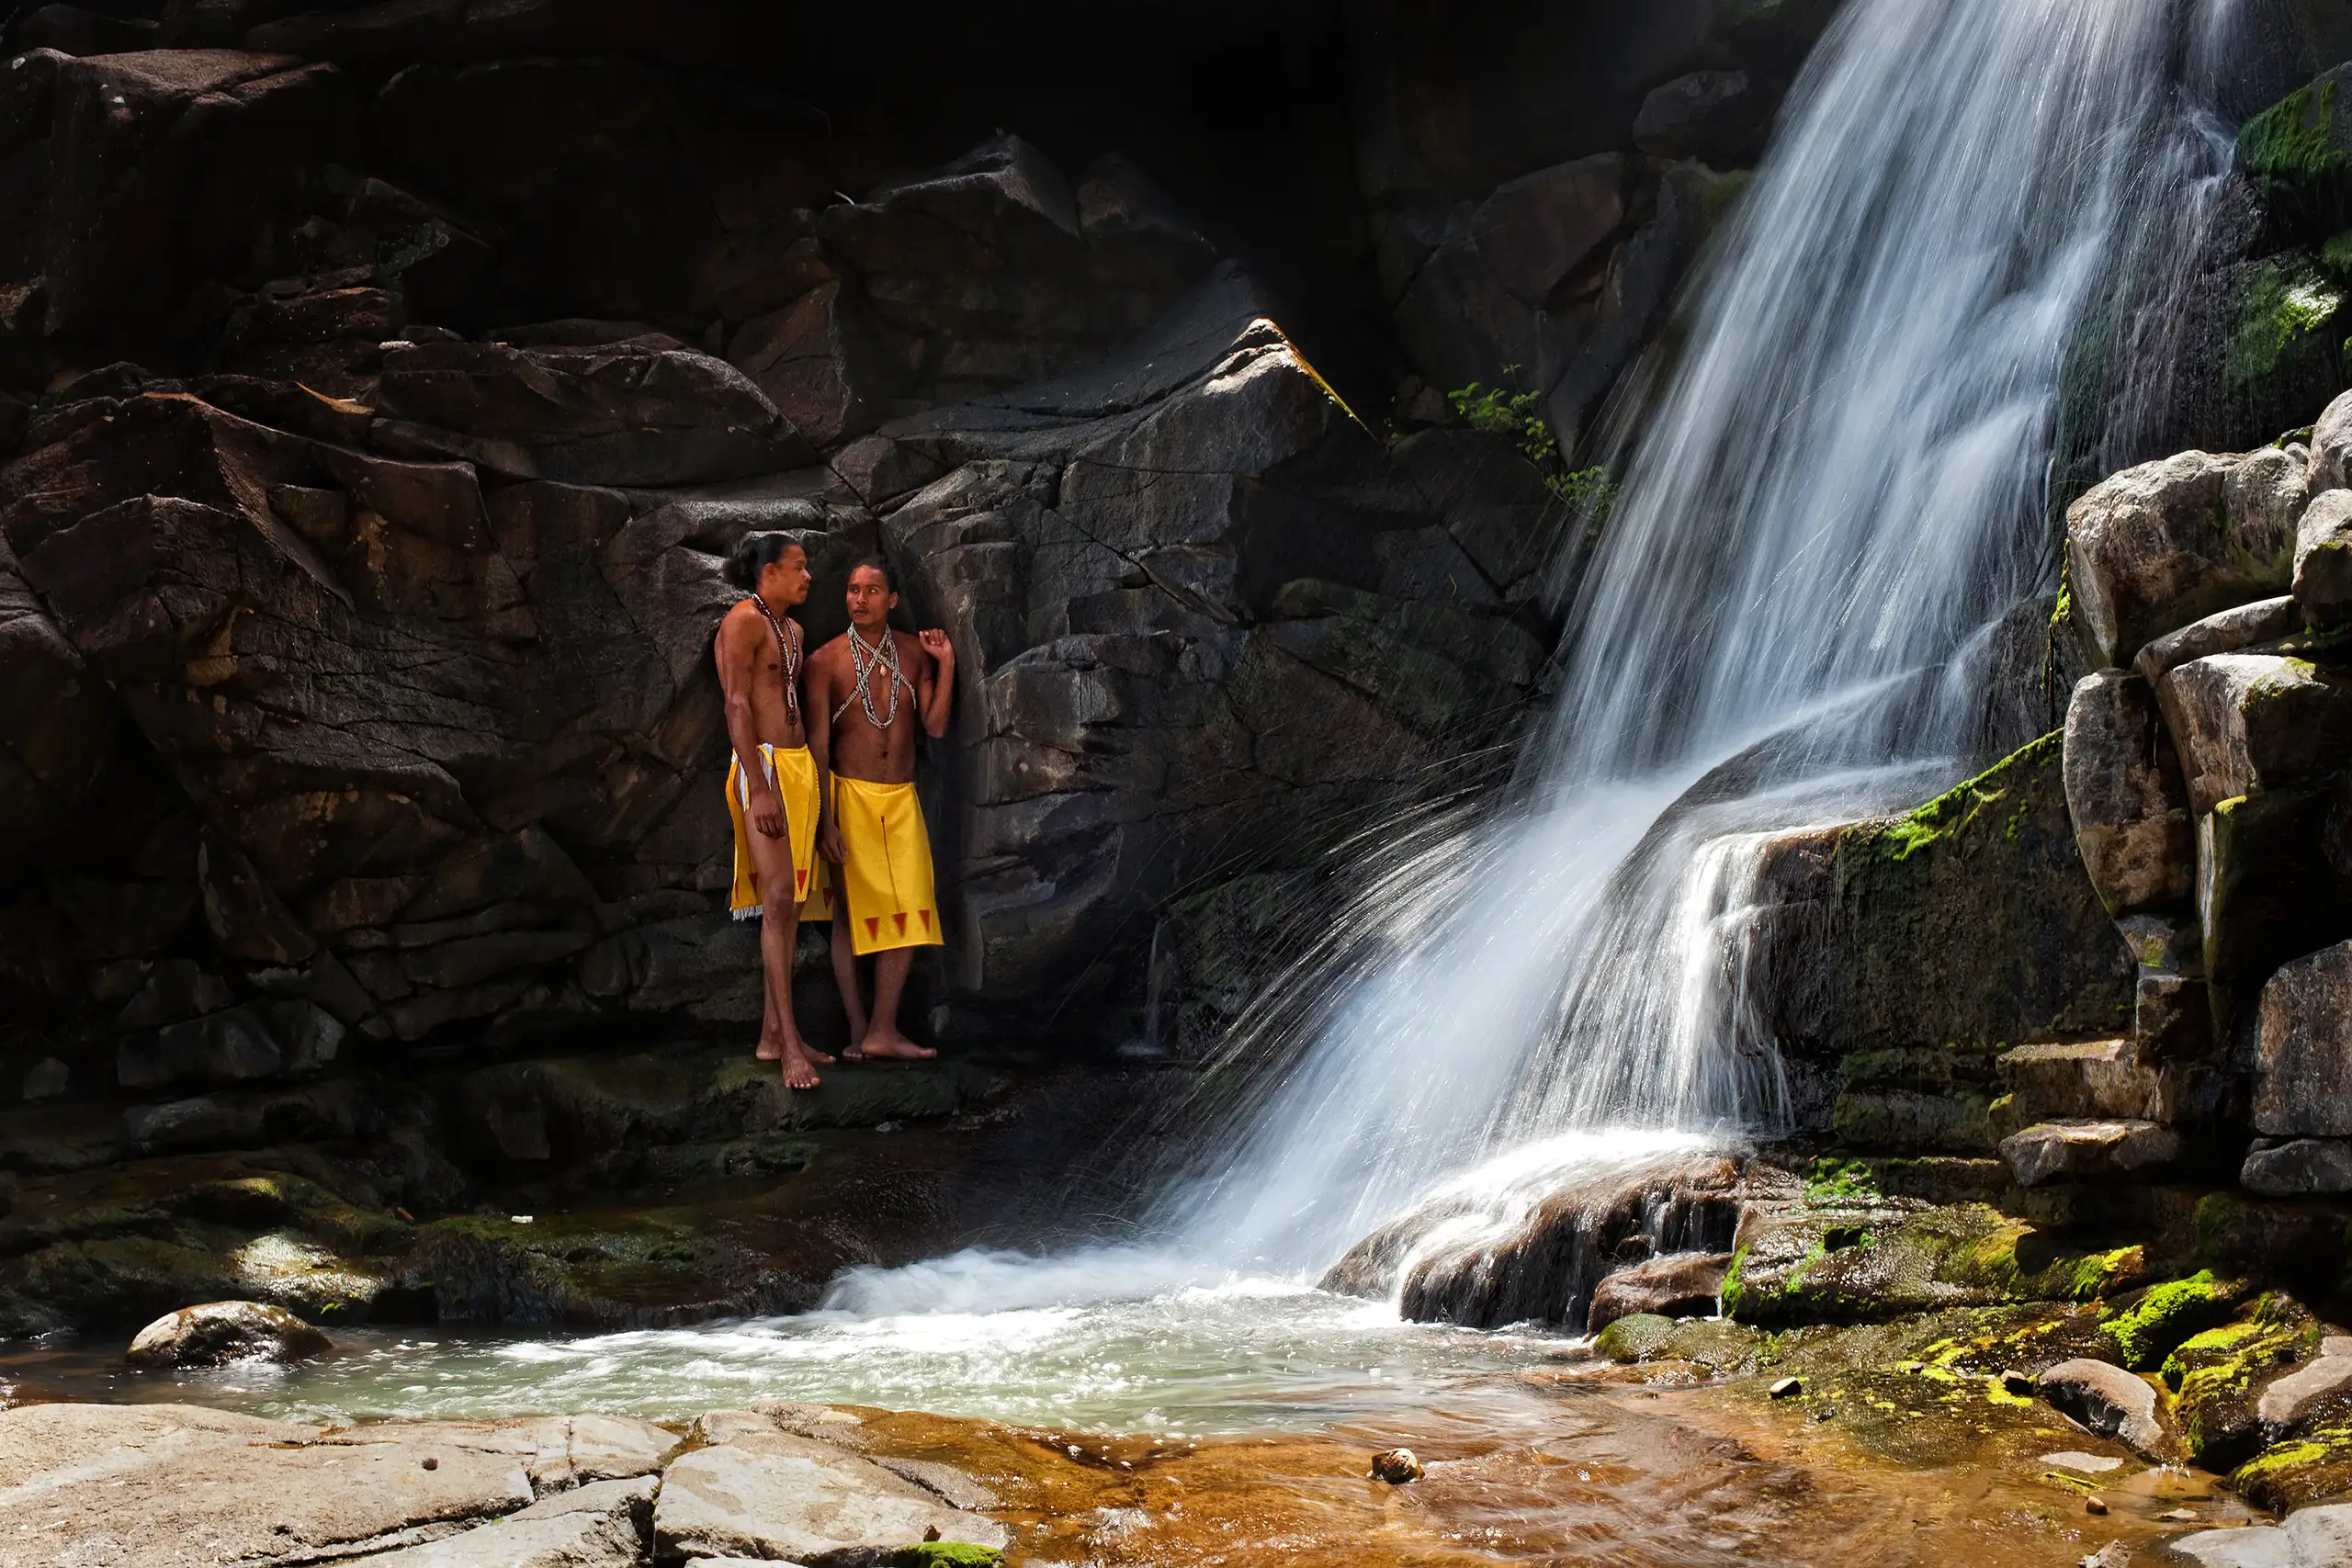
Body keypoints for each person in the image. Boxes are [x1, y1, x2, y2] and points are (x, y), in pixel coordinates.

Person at [804, 558, 954, 1060]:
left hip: (902, 799)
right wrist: (825, 822)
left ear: (891, 600)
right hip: (850, 798)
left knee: (910, 909)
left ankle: (883, 1029)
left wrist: (947, 663)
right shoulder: (825, 661)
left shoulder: (912, 653)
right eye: (852, 590)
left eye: (871, 590)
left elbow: (933, 727)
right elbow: (818, 752)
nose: (859, 599)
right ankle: (857, 1028)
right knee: (849, 915)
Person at [715, 531, 832, 1090]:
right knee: (779, 899)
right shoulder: (743, 620)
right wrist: (759, 787)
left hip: (798, 768)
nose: (807, 577)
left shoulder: (794, 629)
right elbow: (736, 703)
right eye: (798, 566)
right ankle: (789, 1046)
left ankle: (773, 1034)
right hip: (762, 769)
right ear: (769, 574)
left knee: (790, 904)